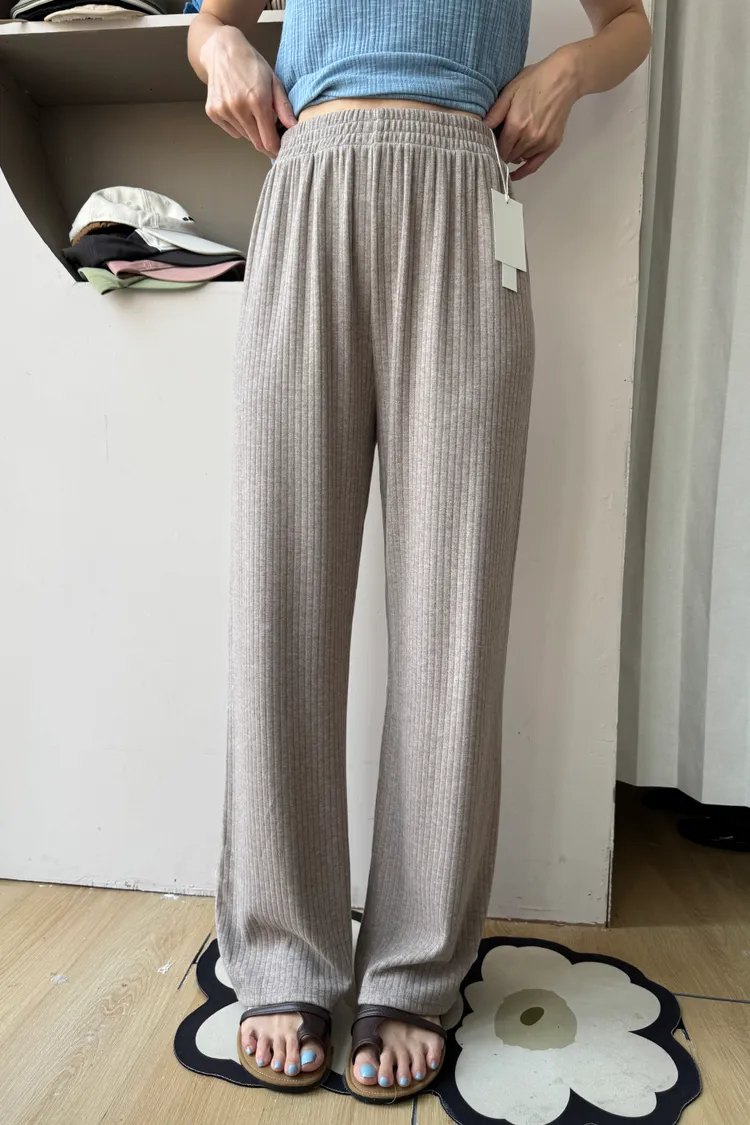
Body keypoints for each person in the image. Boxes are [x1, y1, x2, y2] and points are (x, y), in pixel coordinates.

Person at [187, 0, 652, 1103]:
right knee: (281, 598)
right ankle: (284, 955)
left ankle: (413, 968)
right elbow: (209, 25)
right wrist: (225, 49)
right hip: (310, 183)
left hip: (462, 192)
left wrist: (568, 71)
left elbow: (632, 22)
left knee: (455, 605)